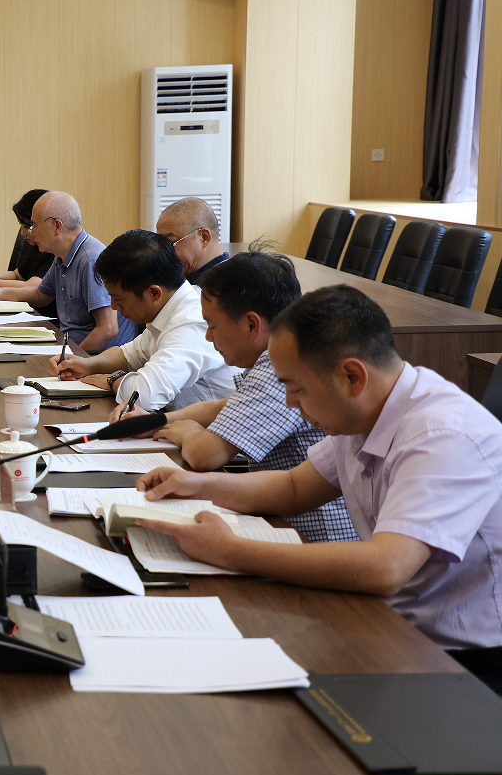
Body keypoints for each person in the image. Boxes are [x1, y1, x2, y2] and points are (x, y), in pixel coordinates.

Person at [134, 285, 502, 693]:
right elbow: (293, 486)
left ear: (351, 376)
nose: (290, 403)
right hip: (388, 623)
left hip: (461, 662)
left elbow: (386, 568)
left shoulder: (443, 435)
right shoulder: (365, 410)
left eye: (297, 388)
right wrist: (196, 485)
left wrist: (230, 550)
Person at [135, 250, 356, 542]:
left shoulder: (279, 368)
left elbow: (205, 455)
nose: (208, 337)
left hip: (313, 538)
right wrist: (160, 421)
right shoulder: (277, 358)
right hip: (285, 520)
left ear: (252, 325)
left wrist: (189, 433)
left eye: (212, 326)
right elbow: (223, 406)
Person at [52, 229, 236, 419]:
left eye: (118, 298)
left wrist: (111, 380)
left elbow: (144, 396)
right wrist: (88, 364)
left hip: (211, 430)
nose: (114, 307)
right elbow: (130, 355)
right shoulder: (171, 307)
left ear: (154, 293)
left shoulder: (190, 323)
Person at [11, 191, 137, 352]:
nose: (31, 233)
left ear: (57, 226)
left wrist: (70, 358)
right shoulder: (62, 255)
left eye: (34, 226)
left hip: (96, 356)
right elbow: (40, 295)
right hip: (70, 346)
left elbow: (108, 329)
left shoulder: (91, 260)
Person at [0, 189, 57, 317]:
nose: (23, 233)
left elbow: (32, 286)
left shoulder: (54, 252)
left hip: (42, 317)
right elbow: (17, 275)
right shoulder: (39, 249)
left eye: (28, 226)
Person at [155, 196, 228, 284]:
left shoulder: (224, 287)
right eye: (161, 245)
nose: (162, 254)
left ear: (203, 237)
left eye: (170, 243)